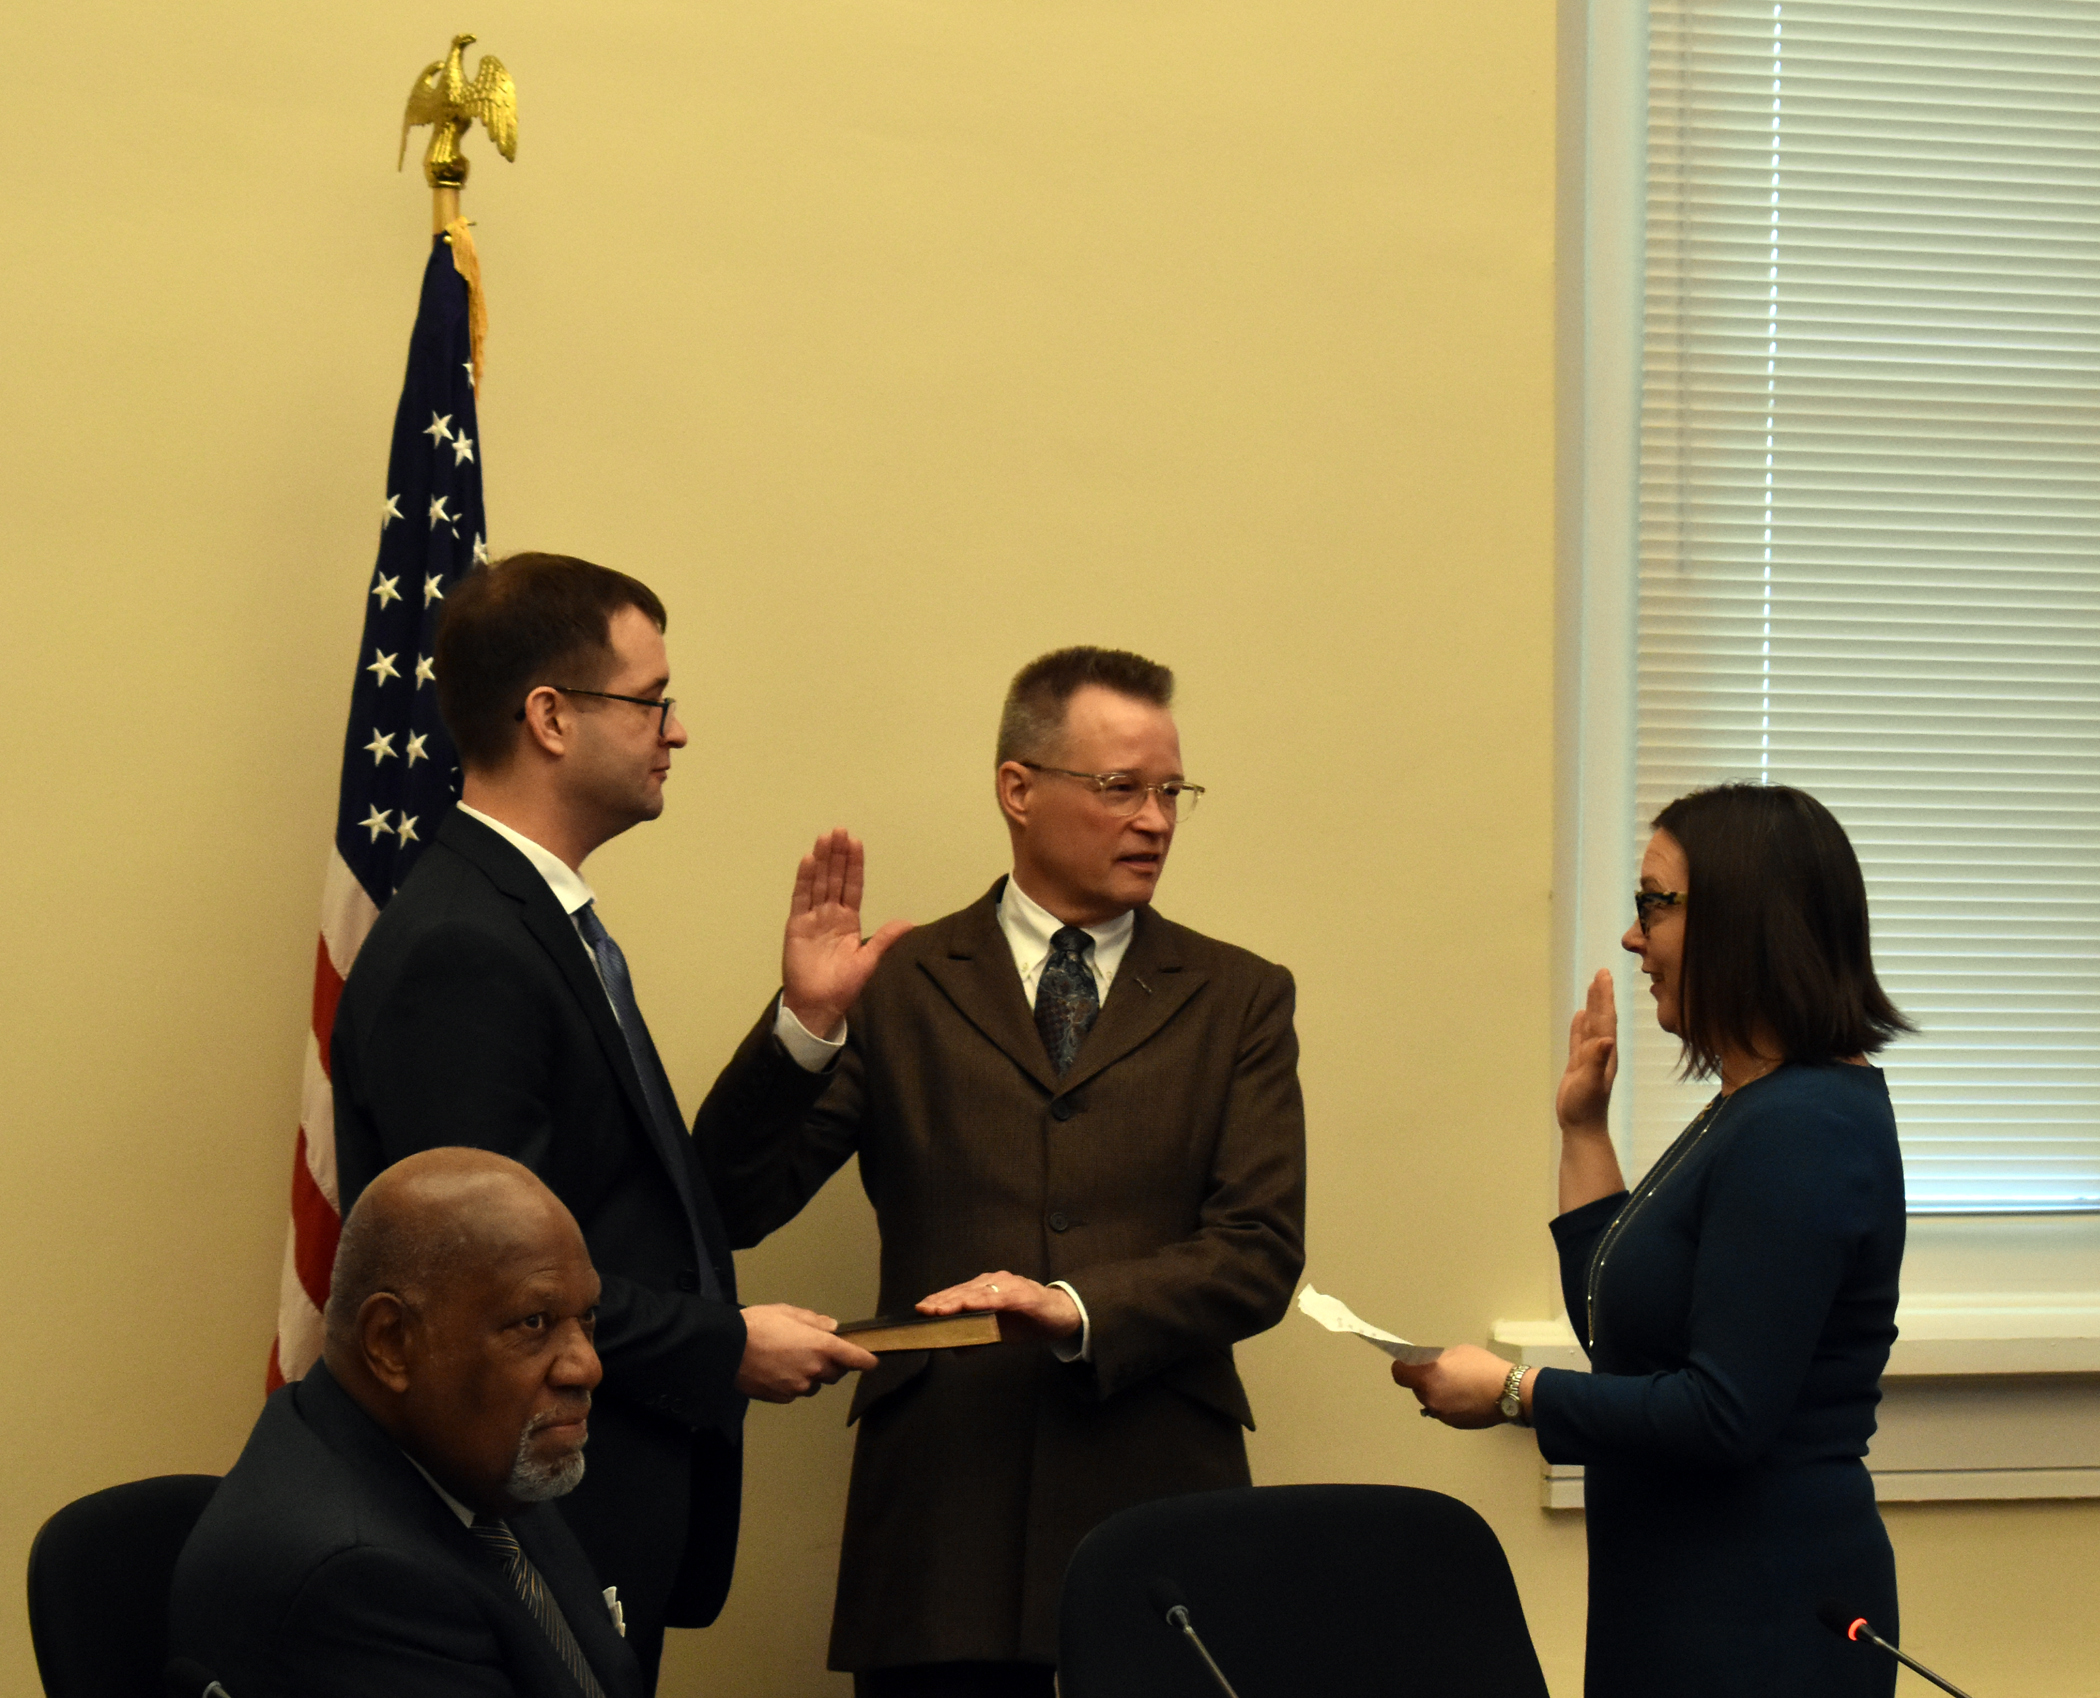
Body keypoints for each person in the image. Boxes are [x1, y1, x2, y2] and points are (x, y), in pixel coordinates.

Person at [700, 645, 1308, 1698]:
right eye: (1121, 788)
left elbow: (1258, 1253)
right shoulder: (897, 985)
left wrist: (1074, 1306)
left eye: (1171, 792)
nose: (1155, 820)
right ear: (1017, 791)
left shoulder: (1238, 996)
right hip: (945, 1521)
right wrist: (806, 1022)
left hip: (1160, 1507)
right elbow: (733, 1203)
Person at [330, 552, 888, 1686]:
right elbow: (495, 1296)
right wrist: (726, 1347)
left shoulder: (538, 919)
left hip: (595, 1515)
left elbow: (679, 1208)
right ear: (549, 717)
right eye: (652, 700)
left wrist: (804, 1026)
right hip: (529, 1516)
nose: (674, 731)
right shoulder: (464, 949)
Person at [1392, 783, 1911, 1697]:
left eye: (1653, 904)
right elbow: (1628, 1342)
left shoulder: (1804, 1127)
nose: (1633, 938)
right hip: (1680, 1588)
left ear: (1744, 917)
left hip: (1760, 1608)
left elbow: (1721, 1415)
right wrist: (1583, 1132)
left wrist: (1515, 1393)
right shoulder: (1752, 1108)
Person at [171, 1148, 642, 1698]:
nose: (587, 1364)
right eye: (533, 1322)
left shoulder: (472, 1453)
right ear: (390, 1343)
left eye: (586, 1317)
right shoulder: (354, 1581)